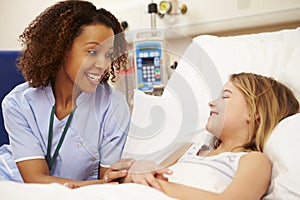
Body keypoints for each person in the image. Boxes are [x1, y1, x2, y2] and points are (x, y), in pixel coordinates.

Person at [0, 0, 131, 187]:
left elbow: (110, 183)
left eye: (109, 54)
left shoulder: (113, 105)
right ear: (61, 49)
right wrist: (97, 184)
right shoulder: (19, 103)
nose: (103, 64)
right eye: (92, 51)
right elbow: (35, 180)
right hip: (14, 183)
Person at [119, 72, 300, 199]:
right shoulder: (191, 149)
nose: (212, 103)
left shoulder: (253, 161)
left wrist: (157, 186)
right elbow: (147, 176)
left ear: (253, 113)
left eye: (225, 97)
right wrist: (138, 168)